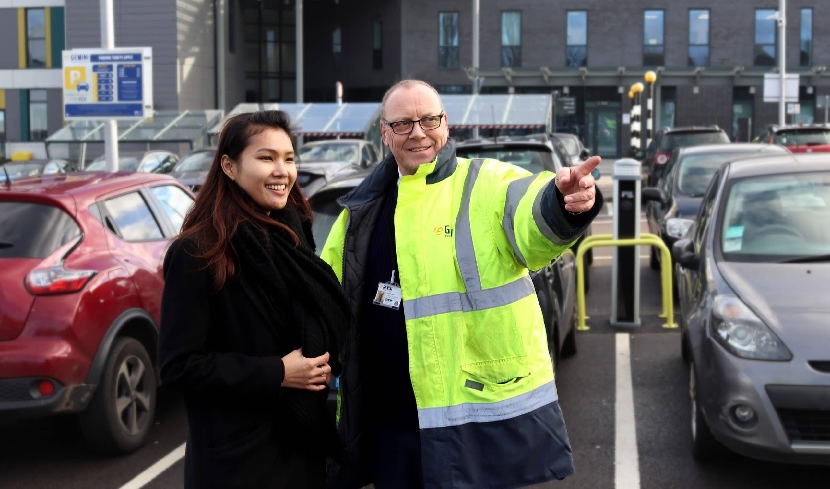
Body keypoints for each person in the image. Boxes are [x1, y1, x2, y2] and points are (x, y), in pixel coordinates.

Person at [320, 79, 603, 488]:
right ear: (385, 133)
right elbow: (322, 295)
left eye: (428, 119)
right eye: (403, 124)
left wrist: (562, 204)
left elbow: (530, 216)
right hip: (388, 426)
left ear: (445, 123)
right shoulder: (358, 211)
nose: (418, 132)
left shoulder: (486, 184)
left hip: (471, 425)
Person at [158, 110, 350, 489]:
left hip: (300, 450)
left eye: (288, 158)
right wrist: (278, 373)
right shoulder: (199, 251)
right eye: (266, 158)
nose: (282, 171)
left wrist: (318, 360)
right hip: (237, 463)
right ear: (229, 167)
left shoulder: (293, 237)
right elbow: (178, 365)